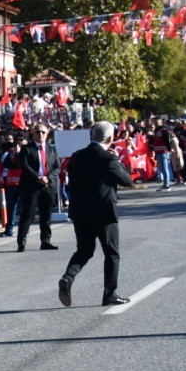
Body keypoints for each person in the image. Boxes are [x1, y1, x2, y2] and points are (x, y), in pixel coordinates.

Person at [59, 122, 135, 308]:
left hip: (80, 212)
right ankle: (109, 294)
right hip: (104, 212)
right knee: (112, 253)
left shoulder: (76, 156)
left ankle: (68, 278)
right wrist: (118, 161)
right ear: (110, 139)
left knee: (84, 250)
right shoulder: (108, 158)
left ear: (91, 136)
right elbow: (127, 180)